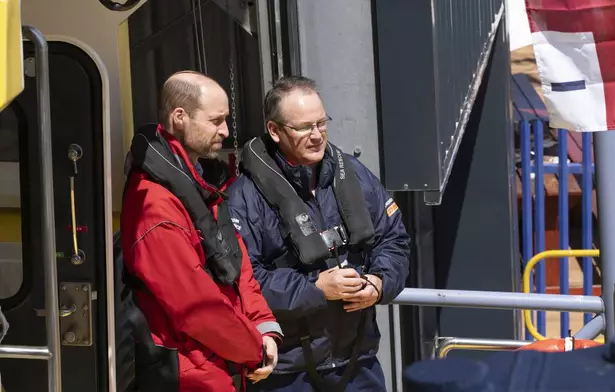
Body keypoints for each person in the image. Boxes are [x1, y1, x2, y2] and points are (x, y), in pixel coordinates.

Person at [227, 75, 411, 392]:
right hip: (288, 374)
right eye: (303, 127)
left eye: (321, 123)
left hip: (359, 366)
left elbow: (394, 241)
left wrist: (379, 284)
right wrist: (317, 288)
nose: (316, 135)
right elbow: (243, 282)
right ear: (275, 130)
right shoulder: (243, 197)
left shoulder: (355, 175)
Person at [119, 71, 283, 392]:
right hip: (190, 375)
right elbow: (195, 308)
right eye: (216, 120)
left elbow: (238, 267)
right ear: (180, 117)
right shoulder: (154, 205)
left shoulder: (200, 184)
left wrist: (265, 329)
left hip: (220, 363)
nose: (225, 131)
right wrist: (254, 351)